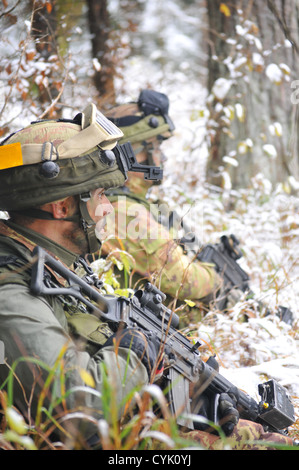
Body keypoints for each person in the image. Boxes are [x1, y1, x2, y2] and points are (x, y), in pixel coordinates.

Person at [0, 104, 293, 450]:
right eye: (99, 195)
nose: (108, 207)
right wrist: (135, 352)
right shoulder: (13, 287)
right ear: (62, 207)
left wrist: (189, 399)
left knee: (261, 435)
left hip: (119, 423)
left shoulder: (54, 263)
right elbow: (76, 405)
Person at [103, 89, 222, 318]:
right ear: (133, 154)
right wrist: (216, 276)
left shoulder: (131, 204)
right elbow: (183, 280)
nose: (162, 157)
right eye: (156, 148)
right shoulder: (124, 212)